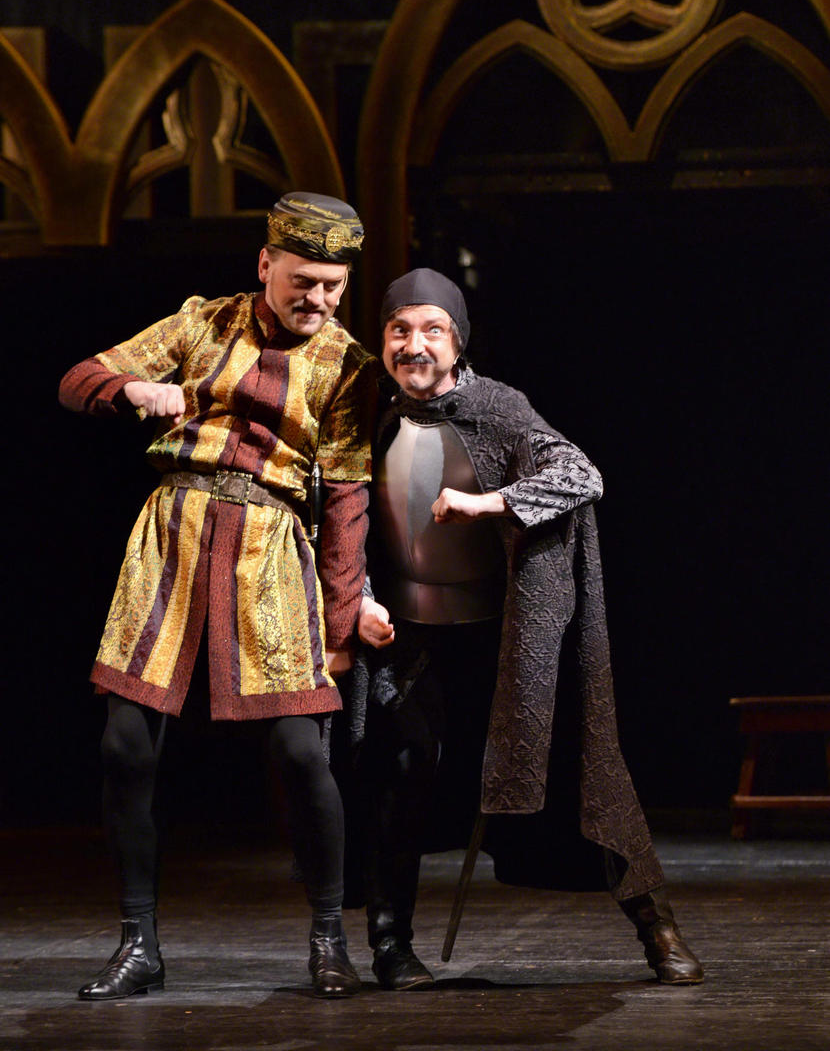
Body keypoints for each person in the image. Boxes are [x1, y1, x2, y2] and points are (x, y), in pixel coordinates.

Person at [59, 192, 377, 1001]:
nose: (318, 299)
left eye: (333, 287)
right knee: (125, 746)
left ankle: (330, 940)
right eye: (304, 281)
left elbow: (346, 498)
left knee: (301, 752)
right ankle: (139, 944)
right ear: (266, 264)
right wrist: (134, 392)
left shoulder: (349, 365)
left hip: (269, 547)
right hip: (172, 532)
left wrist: (341, 624)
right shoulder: (203, 322)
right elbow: (79, 378)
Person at [356, 267, 703, 992]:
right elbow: (344, 519)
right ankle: (390, 946)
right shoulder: (370, 414)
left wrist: (488, 504)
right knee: (400, 774)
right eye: (400, 330)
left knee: (582, 768)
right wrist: (360, 597)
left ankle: (657, 927)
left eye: (432, 330)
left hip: (501, 633)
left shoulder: (498, 407)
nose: (414, 345)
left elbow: (581, 474)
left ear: (458, 340)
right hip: (408, 635)